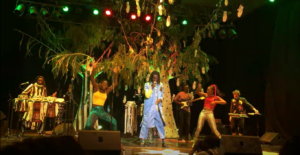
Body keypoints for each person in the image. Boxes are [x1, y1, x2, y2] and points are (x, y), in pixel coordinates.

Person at [84, 62, 118, 130]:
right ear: (101, 84)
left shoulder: (106, 92)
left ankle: (113, 138)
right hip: (94, 110)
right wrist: (94, 68)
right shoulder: (96, 88)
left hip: (102, 111)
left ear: (107, 86)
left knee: (114, 122)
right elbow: (91, 78)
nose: (104, 85)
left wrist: (115, 73)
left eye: (106, 85)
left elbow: (115, 83)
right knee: (88, 126)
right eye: (103, 84)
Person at [140, 71, 167, 147]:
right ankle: (142, 141)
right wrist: (151, 87)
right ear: (152, 77)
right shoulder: (147, 85)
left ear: (158, 78)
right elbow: (147, 95)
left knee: (160, 124)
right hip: (149, 108)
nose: (155, 79)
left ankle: (163, 141)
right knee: (146, 124)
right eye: (154, 78)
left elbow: (161, 94)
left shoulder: (161, 85)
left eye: (156, 78)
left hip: (157, 108)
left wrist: (160, 99)